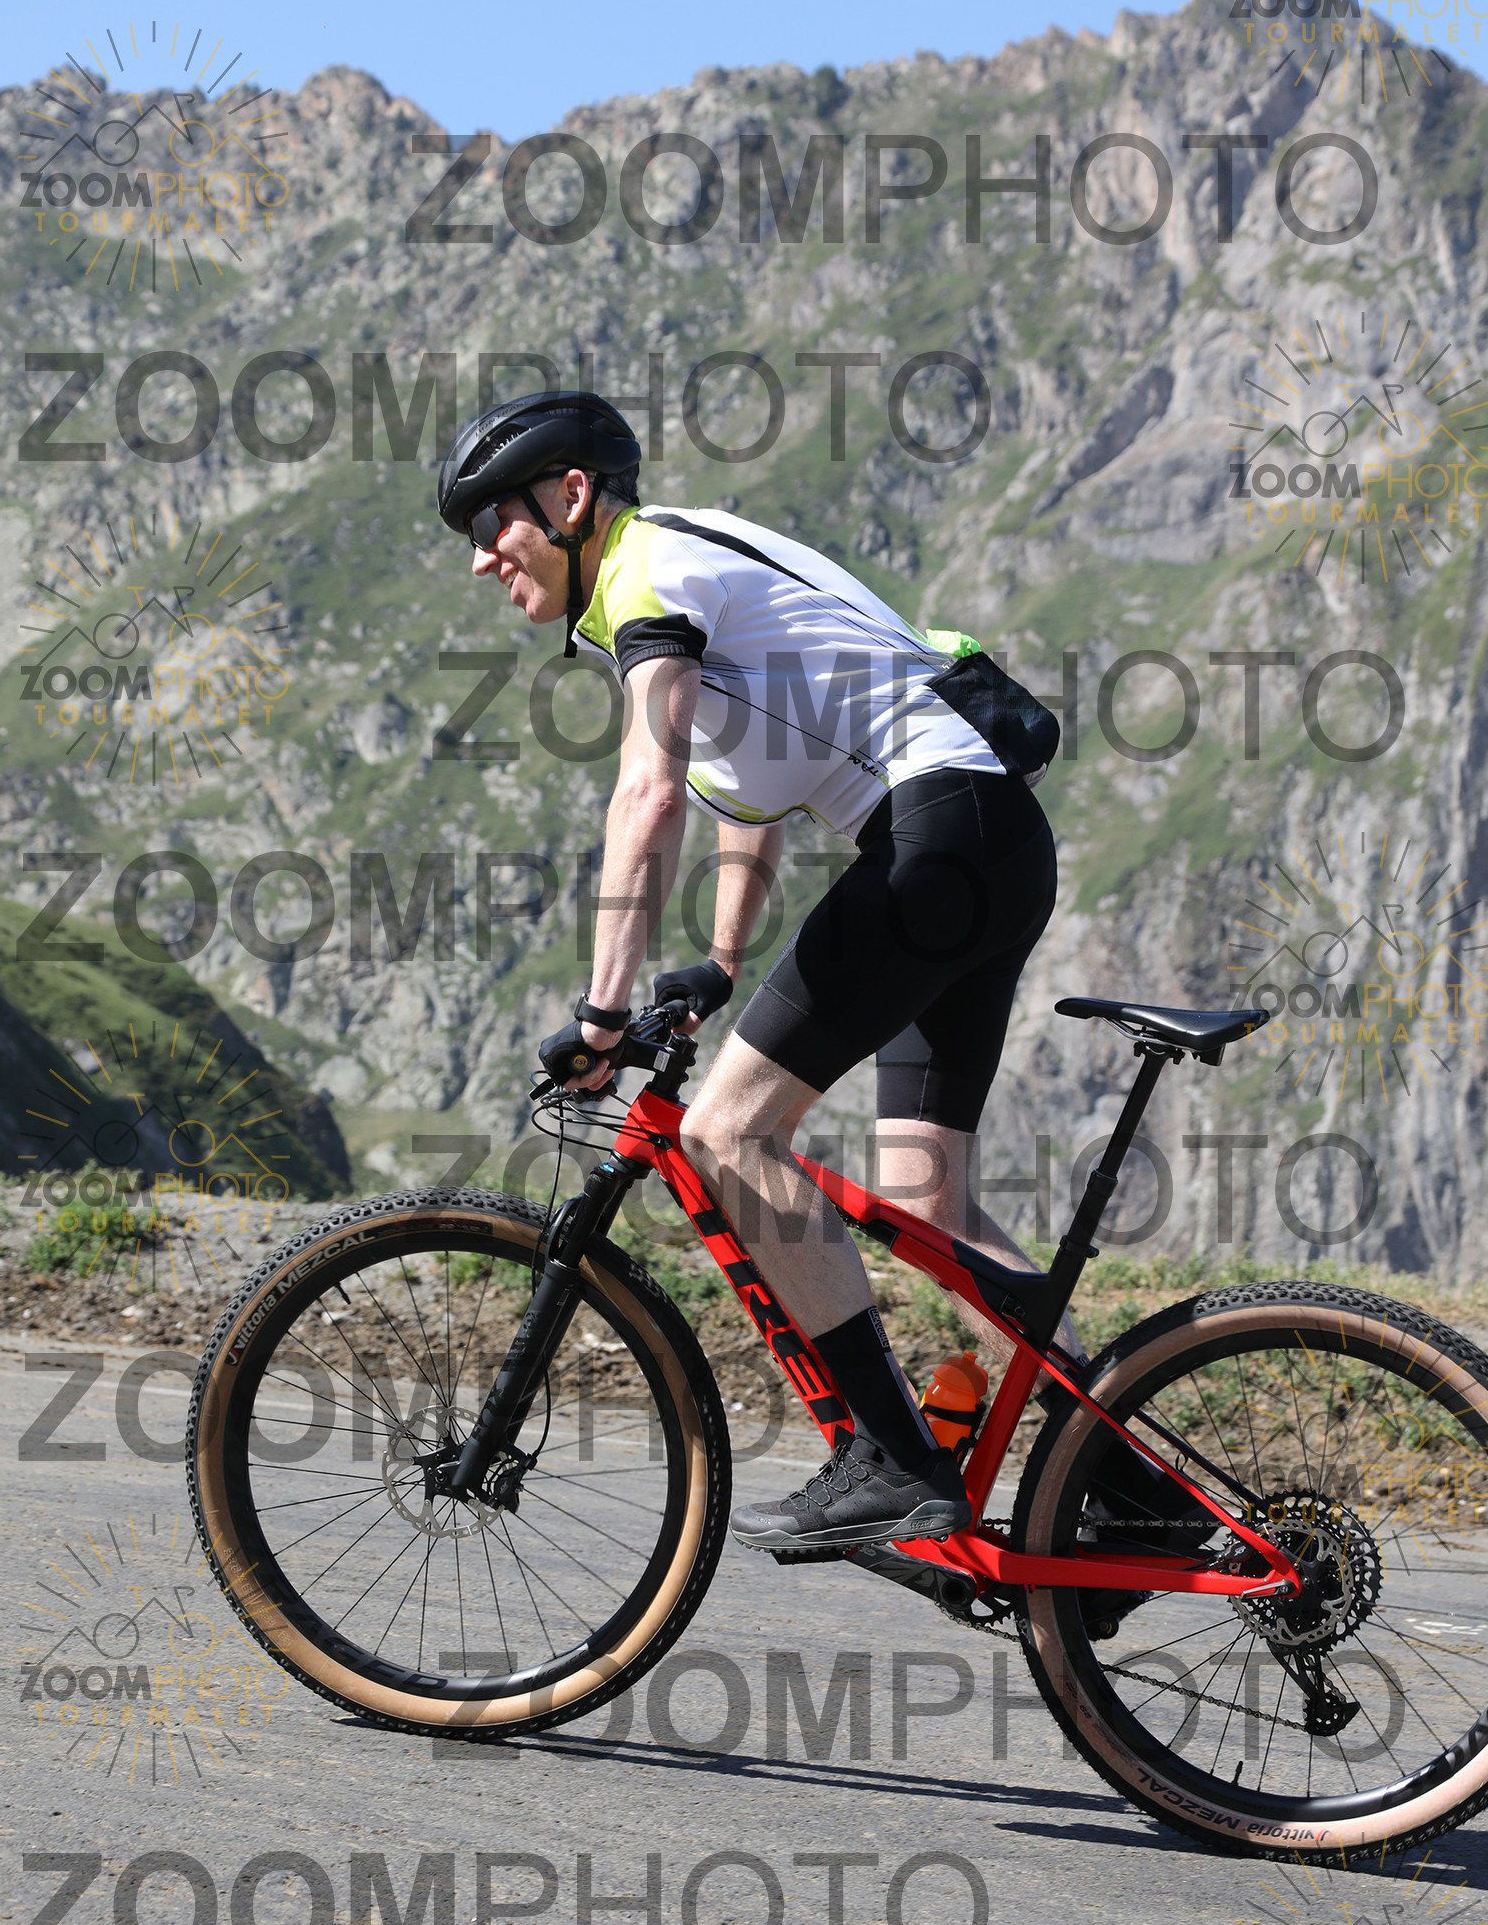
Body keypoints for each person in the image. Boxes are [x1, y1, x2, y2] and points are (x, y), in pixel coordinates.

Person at [437, 390, 1060, 1553]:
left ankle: (891, 1459)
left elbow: (650, 793)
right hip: (992, 843)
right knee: (926, 1197)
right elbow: (749, 796)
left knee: (727, 1135)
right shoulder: (693, 563)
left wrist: (603, 1013)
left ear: (570, 497)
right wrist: (720, 964)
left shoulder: (646, 574)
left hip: (935, 838)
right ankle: (1112, 1466)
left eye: (489, 524)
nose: (480, 559)